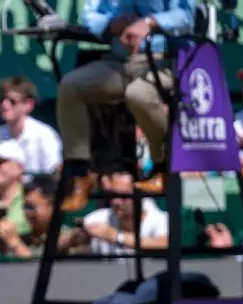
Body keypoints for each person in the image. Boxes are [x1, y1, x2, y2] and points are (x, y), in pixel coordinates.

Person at [56, 0, 197, 211]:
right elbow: (88, 16)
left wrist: (150, 22)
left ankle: (162, 167)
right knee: (71, 86)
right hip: (120, 62)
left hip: (166, 60)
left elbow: (188, 16)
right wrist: (111, 24)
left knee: (138, 94)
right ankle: (81, 175)